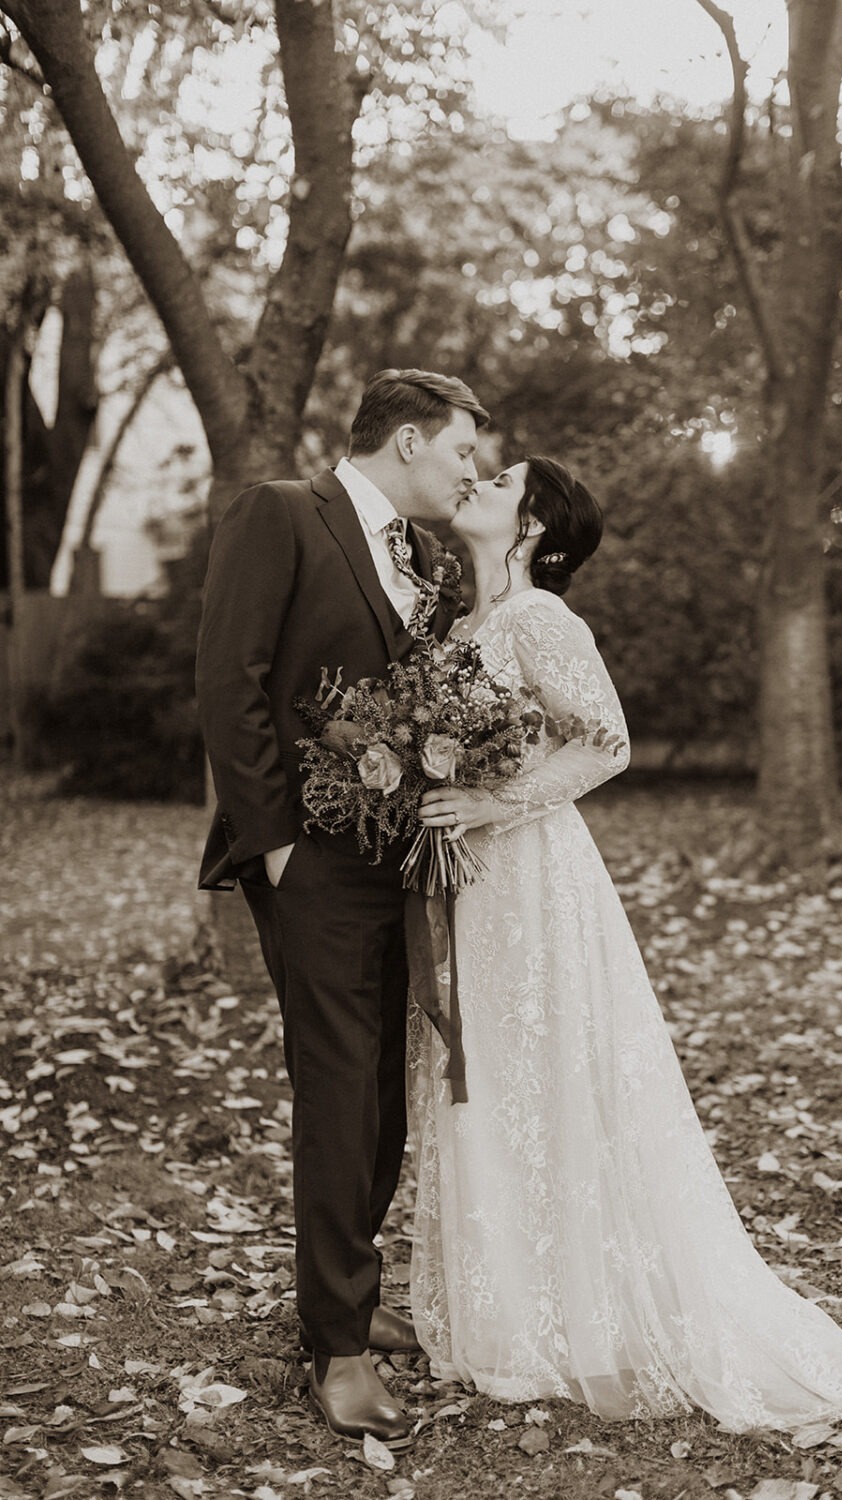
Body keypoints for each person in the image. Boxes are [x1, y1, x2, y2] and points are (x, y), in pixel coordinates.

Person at [410, 456, 842, 1432]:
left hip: (530, 872)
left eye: (502, 478)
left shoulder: (542, 617)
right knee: (491, 1077)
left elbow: (604, 740)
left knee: (547, 1070)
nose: (478, 478)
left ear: (537, 531)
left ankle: (578, 1314)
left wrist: (484, 803)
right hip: (467, 883)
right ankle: (509, 1309)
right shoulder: (459, 624)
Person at [195, 369, 489, 1449]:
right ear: (407, 441)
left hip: (401, 863)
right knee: (337, 1085)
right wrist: (273, 847)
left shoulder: (427, 560)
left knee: (382, 1094)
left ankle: (345, 1290)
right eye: (460, 451)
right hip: (309, 863)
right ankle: (338, 1344)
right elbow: (230, 679)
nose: (468, 472)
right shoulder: (281, 513)